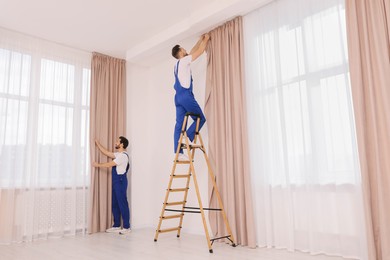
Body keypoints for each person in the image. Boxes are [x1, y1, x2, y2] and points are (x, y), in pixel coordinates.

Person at [171, 34, 210, 160]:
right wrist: (206, 40)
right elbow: (199, 52)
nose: (185, 50)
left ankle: (179, 153)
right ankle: (187, 136)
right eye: (183, 49)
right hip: (185, 96)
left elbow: (192, 52)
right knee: (200, 118)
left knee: (179, 124)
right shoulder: (184, 61)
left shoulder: (177, 65)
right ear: (181, 52)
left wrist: (199, 40)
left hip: (177, 97)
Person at [92, 136, 131, 235]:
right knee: (115, 203)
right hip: (116, 181)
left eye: (117, 141)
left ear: (122, 144)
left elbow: (110, 164)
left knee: (122, 203)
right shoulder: (118, 154)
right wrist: (97, 144)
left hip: (121, 181)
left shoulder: (123, 156)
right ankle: (117, 225)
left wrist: (98, 165)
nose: (116, 142)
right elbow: (106, 152)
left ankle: (127, 227)